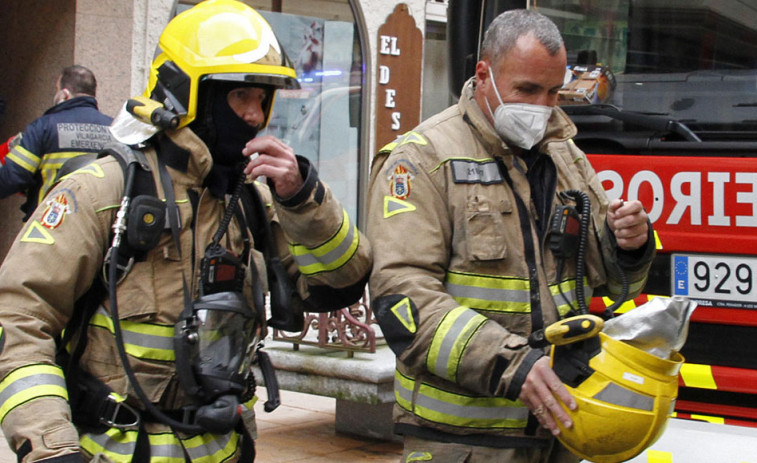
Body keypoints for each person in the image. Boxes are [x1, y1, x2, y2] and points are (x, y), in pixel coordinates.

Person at [0, 1, 371, 462]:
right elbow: (18, 317)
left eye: (263, 98)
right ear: (187, 94)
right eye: (241, 96)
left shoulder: (251, 202)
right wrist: (50, 446)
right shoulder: (105, 193)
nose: (256, 116)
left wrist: (303, 198)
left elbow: (341, 283)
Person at [366, 9, 655, 463]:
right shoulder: (420, 160)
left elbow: (611, 286)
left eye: (554, 92)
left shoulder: (566, 157)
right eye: (526, 90)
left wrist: (630, 247)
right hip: (464, 442)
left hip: (559, 430)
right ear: (483, 75)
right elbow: (402, 298)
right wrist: (509, 364)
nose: (541, 108)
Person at [0, 65, 114, 221]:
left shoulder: (44, 127)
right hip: (97, 226)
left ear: (64, 94)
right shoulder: (114, 129)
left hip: (50, 223)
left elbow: (13, 176)